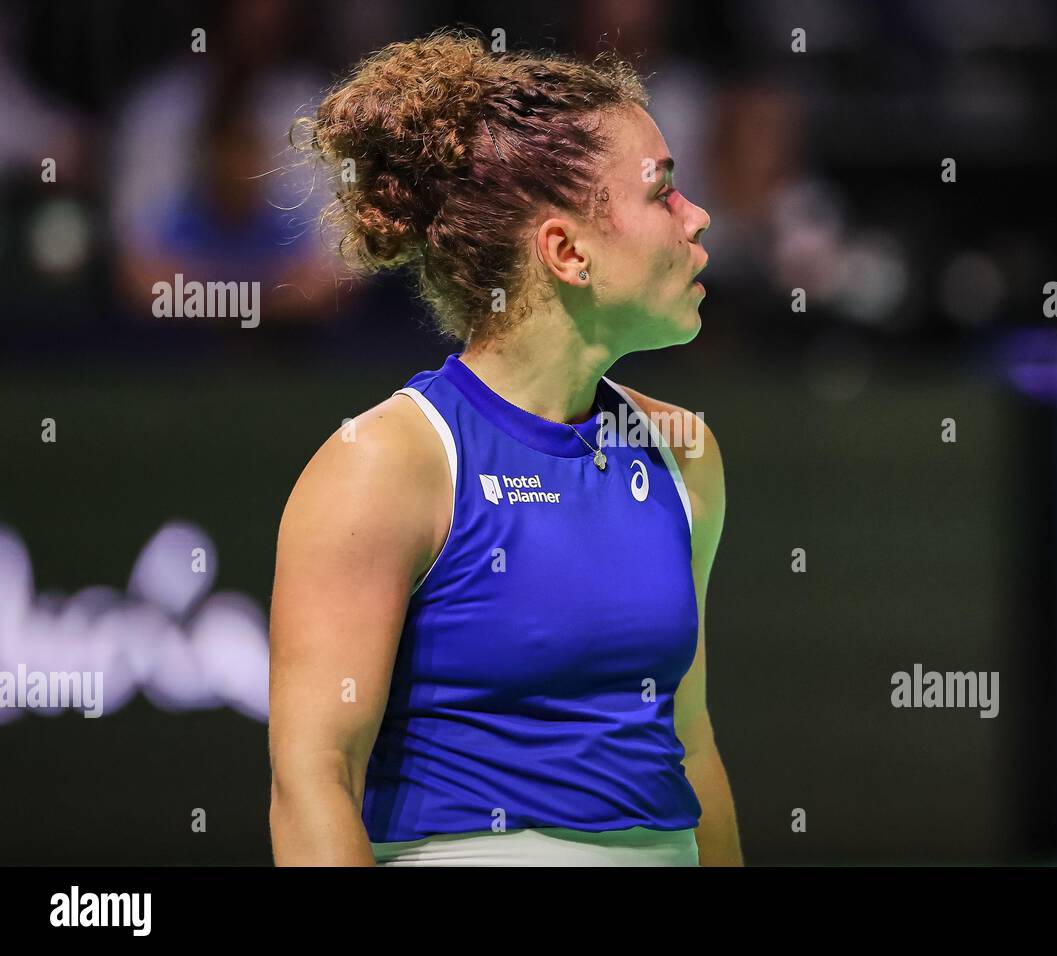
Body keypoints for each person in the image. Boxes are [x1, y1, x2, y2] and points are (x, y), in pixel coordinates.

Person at [267, 29, 742, 866]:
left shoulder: (685, 455)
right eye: (662, 191)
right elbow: (313, 782)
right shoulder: (385, 465)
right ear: (566, 252)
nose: (696, 215)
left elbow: (689, 743)